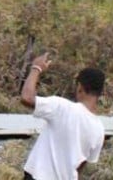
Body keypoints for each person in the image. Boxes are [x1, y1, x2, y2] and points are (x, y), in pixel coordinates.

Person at [20, 52, 105, 180]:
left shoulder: (61, 107)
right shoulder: (99, 130)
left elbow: (27, 98)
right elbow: (82, 164)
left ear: (80, 87)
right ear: (99, 93)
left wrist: (36, 68)